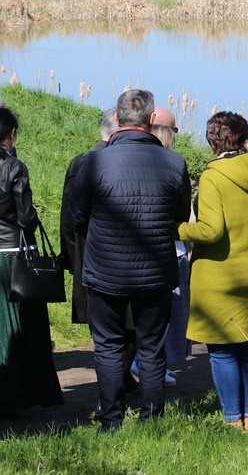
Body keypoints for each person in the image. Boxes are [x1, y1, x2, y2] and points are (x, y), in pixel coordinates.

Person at [70, 90, 191, 431]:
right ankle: (151, 420)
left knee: (108, 345)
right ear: (151, 120)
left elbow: (78, 216)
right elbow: (180, 216)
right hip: (155, 270)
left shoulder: (93, 161)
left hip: (105, 269)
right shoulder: (174, 162)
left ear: (118, 119)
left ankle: (111, 420)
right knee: (151, 347)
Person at [178, 112, 248, 430]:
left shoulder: (213, 176)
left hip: (220, 275)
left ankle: (232, 419)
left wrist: (178, 229)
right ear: (244, 138)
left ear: (213, 141)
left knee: (222, 351)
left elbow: (210, 231)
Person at [60, 108, 143, 401]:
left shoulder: (83, 163)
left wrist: (71, 259)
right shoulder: (97, 163)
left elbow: (68, 221)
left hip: (90, 258)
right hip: (117, 259)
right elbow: (71, 219)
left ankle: (117, 385)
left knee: (110, 332)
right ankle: (116, 388)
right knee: (125, 328)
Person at [0, 107, 63, 415]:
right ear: (10, 135)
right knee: (25, 326)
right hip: (14, 257)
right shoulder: (14, 167)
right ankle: (21, 392)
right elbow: (26, 218)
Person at [128, 107, 190, 387]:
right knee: (166, 316)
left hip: (133, 251)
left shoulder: (129, 159)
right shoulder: (174, 164)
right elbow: (182, 211)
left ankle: (148, 365)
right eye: (174, 131)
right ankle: (147, 367)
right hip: (167, 251)